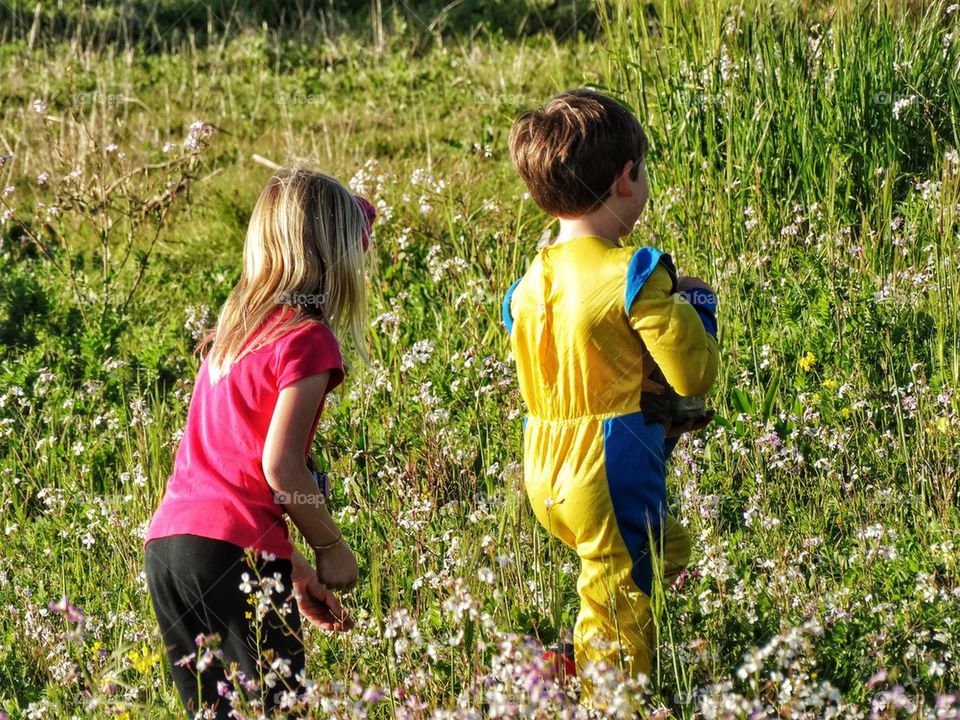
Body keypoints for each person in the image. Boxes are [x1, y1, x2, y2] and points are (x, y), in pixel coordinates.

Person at [502, 89, 720, 698]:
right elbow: (692, 375)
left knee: (654, 551)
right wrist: (694, 310)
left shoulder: (527, 284)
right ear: (626, 179)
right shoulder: (633, 272)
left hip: (544, 464)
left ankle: (576, 657)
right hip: (609, 460)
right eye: (643, 171)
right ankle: (611, 697)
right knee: (621, 588)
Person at [143, 166, 376, 718]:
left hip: (169, 548)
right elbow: (280, 468)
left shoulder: (233, 338)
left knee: (216, 711)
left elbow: (228, 482)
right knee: (278, 708)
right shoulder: (308, 340)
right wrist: (328, 548)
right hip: (229, 553)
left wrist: (294, 573)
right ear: (332, 257)